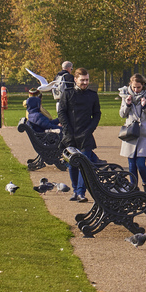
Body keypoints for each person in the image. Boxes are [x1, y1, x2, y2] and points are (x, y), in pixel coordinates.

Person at [63, 68, 102, 202]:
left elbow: (97, 114)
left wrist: (90, 129)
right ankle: (75, 190)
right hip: (70, 135)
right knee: (72, 164)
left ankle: (81, 193)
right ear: (75, 79)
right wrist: (67, 130)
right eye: (82, 80)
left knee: (84, 165)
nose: (85, 82)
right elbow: (62, 113)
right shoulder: (67, 94)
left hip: (86, 135)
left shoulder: (92, 95)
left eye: (87, 80)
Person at [118, 73, 146, 195]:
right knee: (131, 164)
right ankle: (133, 188)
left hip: (144, 133)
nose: (136, 90)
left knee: (140, 163)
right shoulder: (126, 95)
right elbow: (122, 114)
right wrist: (128, 104)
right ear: (130, 84)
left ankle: (145, 184)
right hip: (130, 132)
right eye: (134, 87)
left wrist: (145, 107)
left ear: (143, 85)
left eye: (138, 87)